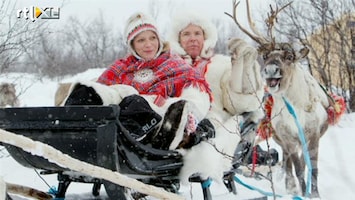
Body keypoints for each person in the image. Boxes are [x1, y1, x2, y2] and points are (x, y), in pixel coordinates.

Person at [62, 12, 212, 150]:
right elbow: (104, 87)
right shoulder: (121, 67)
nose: (148, 45)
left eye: (152, 38)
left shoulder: (175, 65)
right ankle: (66, 124)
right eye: (141, 40)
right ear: (132, 45)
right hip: (119, 116)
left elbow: (197, 96)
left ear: (159, 39)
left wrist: (190, 114)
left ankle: (136, 137)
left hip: (158, 117)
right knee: (90, 92)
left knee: (135, 102)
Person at [167, 11, 278, 184]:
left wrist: (243, 66)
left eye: (198, 33)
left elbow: (238, 103)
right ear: (178, 39)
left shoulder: (221, 65)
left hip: (213, 125)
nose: (193, 38)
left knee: (205, 142)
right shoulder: (168, 67)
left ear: (206, 37)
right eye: (186, 34)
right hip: (176, 124)